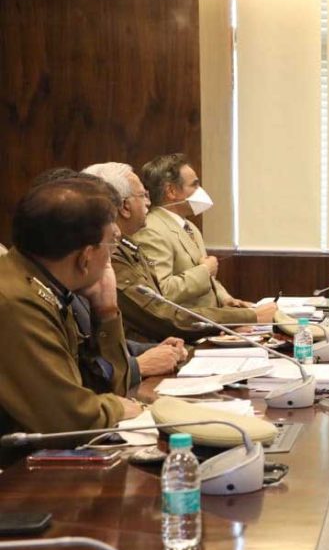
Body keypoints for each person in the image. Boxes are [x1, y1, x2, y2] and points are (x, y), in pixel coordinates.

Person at [0, 178, 143, 434]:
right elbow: (68, 420)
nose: (111, 255)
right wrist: (117, 409)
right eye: (111, 244)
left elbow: (107, 387)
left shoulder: (45, 286)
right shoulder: (17, 302)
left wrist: (106, 313)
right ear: (85, 257)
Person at [83, 162, 276, 342]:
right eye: (142, 195)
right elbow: (161, 312)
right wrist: (246, 317)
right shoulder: (117, 252)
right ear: (125, 207)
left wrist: (226, 302)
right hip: (166, 342)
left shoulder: (129, 245)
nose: (148, 202)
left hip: (170, 342)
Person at [33, 167, 187, 386]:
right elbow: (68, 388)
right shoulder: (28, 296)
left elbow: (88, 352)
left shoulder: (66, 281)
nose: (117, 232)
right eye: (109, 222)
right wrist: (136, 366)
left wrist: (155, 351)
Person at [132, 153, 251, 309]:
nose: (200, 190)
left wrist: (225, 299)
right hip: (185, 322)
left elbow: (208, 279)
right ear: (171, 191)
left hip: (210, 317)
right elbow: (161, 291)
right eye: (194, 185)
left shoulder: (189, 226)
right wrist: (204, 270)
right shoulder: (151, 230)